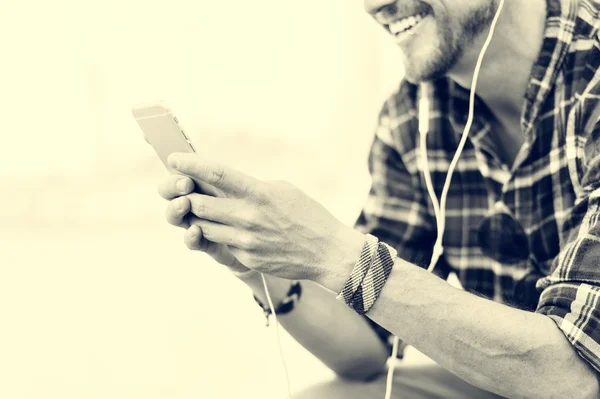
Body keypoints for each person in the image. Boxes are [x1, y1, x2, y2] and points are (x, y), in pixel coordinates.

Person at [157, 0, 600, 397]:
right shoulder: (413, 115)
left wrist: (338, 253)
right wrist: (262, 268)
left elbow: (576, 378)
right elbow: (367, 349)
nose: (374, 5)